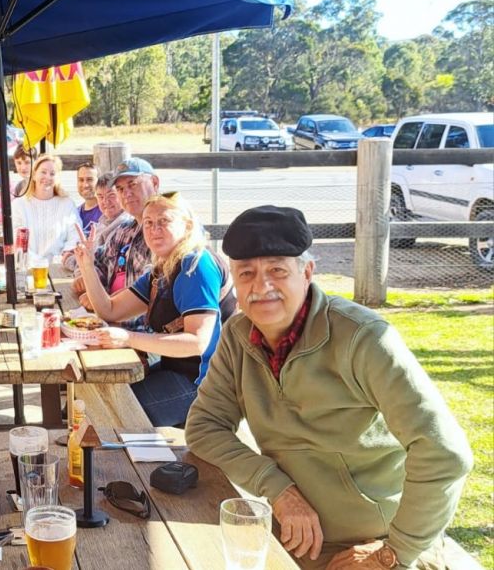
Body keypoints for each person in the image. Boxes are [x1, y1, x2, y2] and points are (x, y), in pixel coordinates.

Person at [186, 206, 472, 570]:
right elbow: (203, 427)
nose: (262, 287)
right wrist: (278, 489)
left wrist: (393, 553)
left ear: (306, 272)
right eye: (247, 273)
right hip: (295, 534)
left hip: (375, 542)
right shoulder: (238, 336)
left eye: (277, 270)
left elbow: (444, 452)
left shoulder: (362, 337)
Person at [73, 193, 235, 426]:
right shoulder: (163, 268)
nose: (154, 229)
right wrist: (86, 264)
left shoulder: (196, 265)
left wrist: (128, 338)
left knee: (102, 413)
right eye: (148, 222)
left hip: (206, 385)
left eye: (164, 221)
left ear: (187, 226)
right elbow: (109, 310)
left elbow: (197, 342)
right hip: (178, 372)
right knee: (89, 400)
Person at [73, 158, 158, 331]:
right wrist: (93, 283)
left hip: (140, 336)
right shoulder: (125, 230)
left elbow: (149, 293)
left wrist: (102, 298)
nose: (126, 193)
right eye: (120, 188)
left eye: (133, 184)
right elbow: (98, 261)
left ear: (154, 183)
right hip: (109, 321)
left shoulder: (163, 235)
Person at [10, 154, 80, 259]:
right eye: (43, 172)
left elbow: (75, 236)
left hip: (58, 267)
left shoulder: (67, 204)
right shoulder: (18, 205)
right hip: (27, 266)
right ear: (34, 175)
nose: (47, 177)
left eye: (52, 174)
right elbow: (15, 239)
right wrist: (38, 263)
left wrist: (61, 258)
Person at [76, 163, 102, 233]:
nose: (85, 185)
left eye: (90, 179)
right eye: (81, 180)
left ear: (99, 182)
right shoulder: (74, 213)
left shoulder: (106, 211)